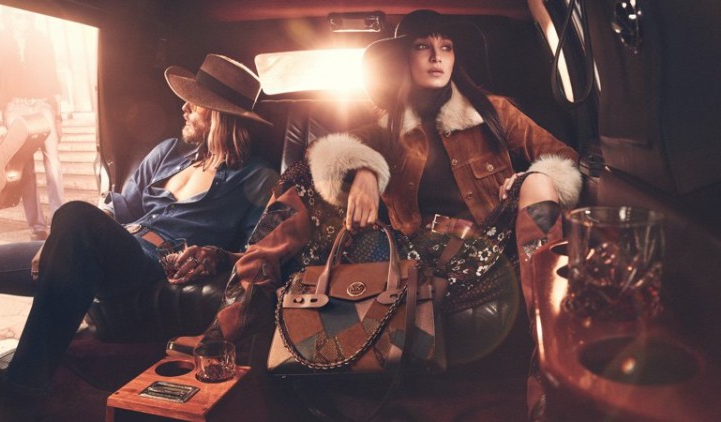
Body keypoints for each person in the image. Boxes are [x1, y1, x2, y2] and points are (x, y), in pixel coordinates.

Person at [175, 9, 581, 420]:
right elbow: (325, 155)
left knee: (541, 182)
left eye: (446, 47)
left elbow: (564, 158)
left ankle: (550, 372)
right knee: (302, 180)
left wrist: (526, 178)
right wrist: (365, 169)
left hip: (491, 246)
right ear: (404, 57)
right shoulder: (386, 125)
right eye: (423, 46)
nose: (436, 57)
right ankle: (231, 322)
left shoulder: (494, 111)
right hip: (414, 253)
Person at [0, 53, 278, 418]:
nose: (183, 109)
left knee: (73, 213)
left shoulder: (257, 178)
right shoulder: (168, 153)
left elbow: (258, 252)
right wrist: (60, 239)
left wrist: (217, 254)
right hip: (107, 242)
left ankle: (22, 390)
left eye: (193, 104)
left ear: (216, 114)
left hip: (147, 263)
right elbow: (119, 209)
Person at [0, 9, 65, 240]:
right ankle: (37, 227)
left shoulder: (41, 40)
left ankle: (61, 221)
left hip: (43, 105)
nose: (22, 20)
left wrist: (59, 117)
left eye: (25, 16)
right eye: (17, 16)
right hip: (14, 107)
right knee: (25, 167)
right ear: (9, 16)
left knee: (53, 163)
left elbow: (53, 78)